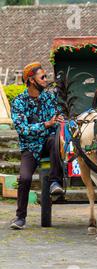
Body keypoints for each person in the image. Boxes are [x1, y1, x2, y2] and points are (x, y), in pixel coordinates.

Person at [9, 62, 64, 230]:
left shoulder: (49, 97)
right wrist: (46, 124)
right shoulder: (19, 102)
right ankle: (20, 217)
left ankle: (55, 182)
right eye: (43, 77)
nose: (46, 80)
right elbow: (23, 130)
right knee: (24, 178)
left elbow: (57, 117)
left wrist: (59, 120)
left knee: (55, 139)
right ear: (32, 80)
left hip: (48, 142)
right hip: (30, 147)